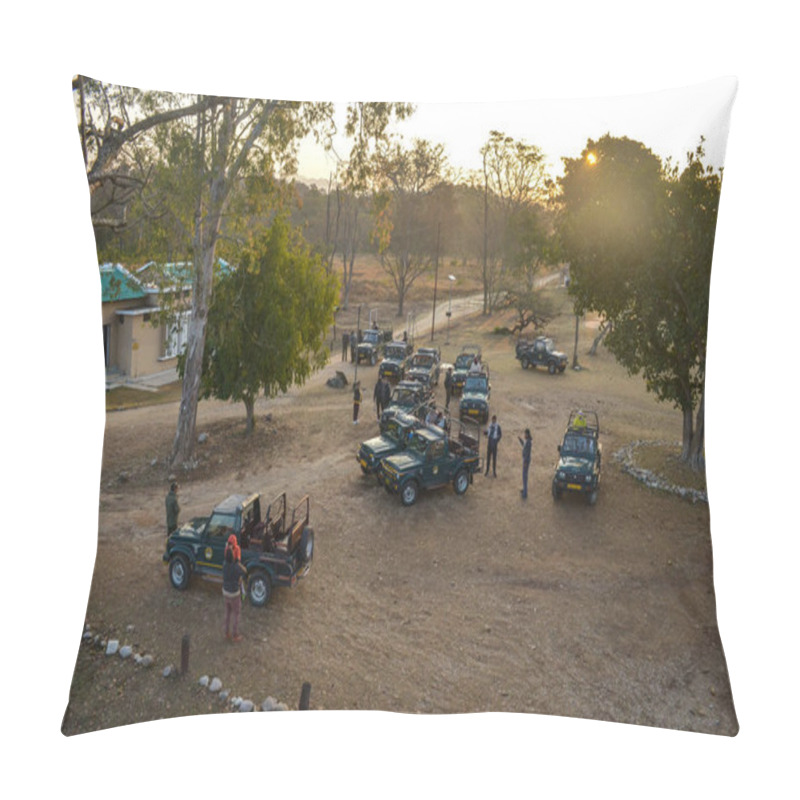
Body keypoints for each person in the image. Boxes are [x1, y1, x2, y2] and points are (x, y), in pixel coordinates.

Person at [222, 536, 247, 642]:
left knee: (227, 613)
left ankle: (226, 632)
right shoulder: (236, 567)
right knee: (236, 614)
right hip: (234, 593)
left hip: (225, 592)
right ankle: (235, 635)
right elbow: (244, 571)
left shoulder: (224, 565)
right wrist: (238, 561)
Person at [518, 428, 532, 499]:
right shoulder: (527, 441)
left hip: (526, 460)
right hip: (525, 459)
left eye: (525, 434)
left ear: (527, 434)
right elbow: (523, 445)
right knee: (524, 476)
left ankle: (525, 493)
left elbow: (527, 453)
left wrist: (525, 462)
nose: (524, 435)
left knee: (524, 476)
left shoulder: (529, 442)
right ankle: (524, 490)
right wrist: (520, 440)